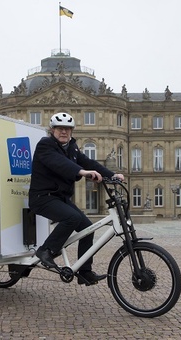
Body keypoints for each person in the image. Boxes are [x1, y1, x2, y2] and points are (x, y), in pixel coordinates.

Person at [29, 112, 125, 286]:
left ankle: (85, 272)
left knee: (87, 227)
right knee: (71, 218)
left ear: (72, 131)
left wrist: (112, 175)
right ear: (52, 130)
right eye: (60, 128)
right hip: (42, 198)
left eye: (67, 129)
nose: (64, 132)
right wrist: (82, 172)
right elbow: (59, 163)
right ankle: (46, 250)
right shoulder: (46, 145)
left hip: (60, 198)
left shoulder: (72, 148)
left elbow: (89, 163)